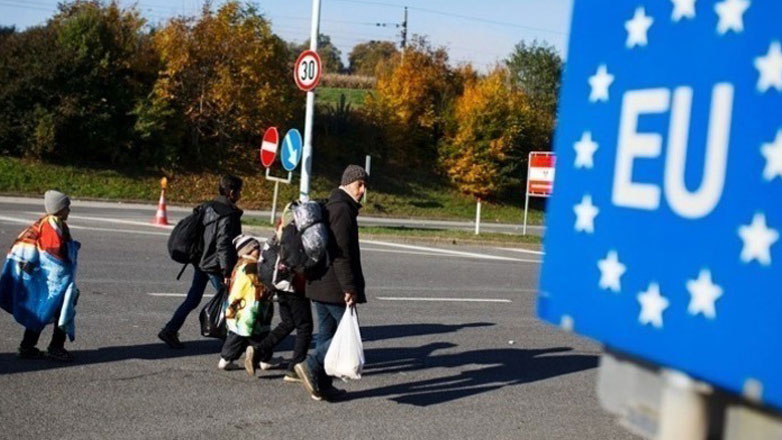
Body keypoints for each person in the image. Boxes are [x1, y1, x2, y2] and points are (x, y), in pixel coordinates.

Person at [295, 165, 368, 401]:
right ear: (348, 184)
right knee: (344, 336)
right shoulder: (342, 209)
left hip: (319, 283)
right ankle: (310, 365)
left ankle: (321, 383)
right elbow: (341, 253)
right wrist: (350, 288)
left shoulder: (332, 204)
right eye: (360, 184)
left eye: (365, 185)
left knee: (328, 335)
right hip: (334, 285)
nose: (363, 190)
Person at [158, 175, 244, 349]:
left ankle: (170, 329)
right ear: (232, 192)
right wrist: (227, 271)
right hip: (214, 266)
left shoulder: (207, 207)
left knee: (193, 299)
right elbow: (223, 244)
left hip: (200, 261)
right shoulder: (228, 214)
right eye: (239, 191)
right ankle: (232, 341)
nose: (240, 195)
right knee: (230, 300)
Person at [0, 190, 80, 361]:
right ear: (59, 209)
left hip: (45, 279)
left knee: (41, 310)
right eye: (67, 207)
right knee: (61, 310)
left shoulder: (52, 223)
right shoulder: (51, 227)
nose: (69, 211)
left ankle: (27, 347)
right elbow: (53, 256)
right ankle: (55, 347)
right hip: (52, 281)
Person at [245, 217, 313, 381]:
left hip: (277, 285)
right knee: (305, 326)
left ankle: (259, 350)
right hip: (293, 286)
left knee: (288, 322)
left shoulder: (277, 236)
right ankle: (294, 368)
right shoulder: (297, 236)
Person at [218, 235, 274, 370]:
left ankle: (226, 359)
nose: (258, 250)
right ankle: (262, 359)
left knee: (238, 334)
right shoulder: (251, 267)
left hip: (238, 308)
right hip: (250, 308)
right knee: (254, 336)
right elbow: (253, 288)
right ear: (247, 251)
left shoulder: (240, 265)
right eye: (255, 248)